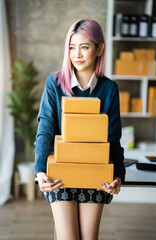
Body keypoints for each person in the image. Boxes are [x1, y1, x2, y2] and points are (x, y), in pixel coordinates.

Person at [34, 19, 126, 240]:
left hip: (95, 173)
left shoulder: (109, 89)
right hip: (61, 173)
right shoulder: (54, 83)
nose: (77, 54)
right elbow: (45, 129)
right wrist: (39, 171)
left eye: (84, 47)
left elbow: (113, 138)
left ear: (100, 49)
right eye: (72, 47)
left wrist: (118, 175)